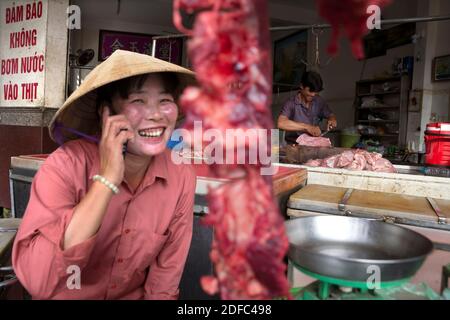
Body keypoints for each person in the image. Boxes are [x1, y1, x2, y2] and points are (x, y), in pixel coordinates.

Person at [12, 50, 197, 300]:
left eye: (165, 100)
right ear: (106, 113)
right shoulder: (66, 165)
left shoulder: (180, 175)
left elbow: (164, 282)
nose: (155, 115)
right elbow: (39, 282)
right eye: (138, 101)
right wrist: (107, 179)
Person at [277, 71, 337, 144]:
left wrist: (332, 119)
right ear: (302, 86)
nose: (313, 94)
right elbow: (281, 123)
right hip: (294, 146)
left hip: (313, 145)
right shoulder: (291, 103)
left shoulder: (319, 101)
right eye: (311, 91)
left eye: (316, 92)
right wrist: (307, 127)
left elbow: (330, 115)